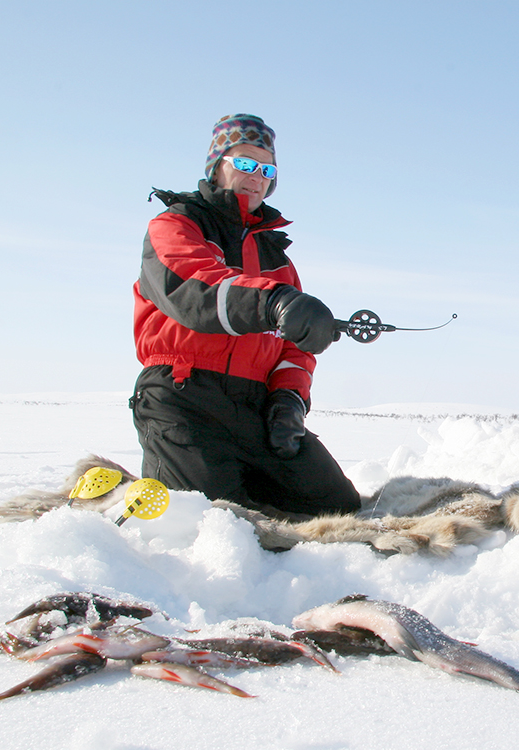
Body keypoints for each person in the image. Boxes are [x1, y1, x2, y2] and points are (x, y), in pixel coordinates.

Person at [129, 113, 361, 520]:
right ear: (217, 166)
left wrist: (288, 398)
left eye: (267, 169)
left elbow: (294, 347)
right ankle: (145, 482)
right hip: (184, 395)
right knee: (214, 518)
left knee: (334, 503)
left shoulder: (278, 258)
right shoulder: (176, 225)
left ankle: (231, 474)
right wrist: (275, 303)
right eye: (245, 163)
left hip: (253, 406)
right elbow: (195, 287)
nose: (257, 177)